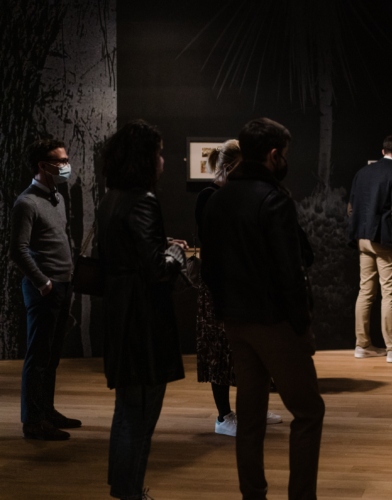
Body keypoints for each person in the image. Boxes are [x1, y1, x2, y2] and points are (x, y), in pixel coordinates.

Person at [201, 117, 325, 500]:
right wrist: (302, 326)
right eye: (284, 154)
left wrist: (224, 311)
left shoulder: (218, 198)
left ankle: (252, 494)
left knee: (250, 416)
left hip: (235, 322)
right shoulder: (273, 199)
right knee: (308, 412)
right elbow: (291, 271)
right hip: (274, 322)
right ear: (273, 155)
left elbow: (210, 267)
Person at [97, 120, 187, 500]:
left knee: (126, 410)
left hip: (120, 314)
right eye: (159, 153)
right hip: (143, 322)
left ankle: (123, 487)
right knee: (141, 414)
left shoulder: (111, 198)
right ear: (144, 158)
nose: (163, 160)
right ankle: (131, 491)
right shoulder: (144, 200)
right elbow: (156, 269)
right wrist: (176, 253)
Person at [194, 139, 282, 437]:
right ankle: (224, 416)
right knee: (219, 350)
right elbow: (215, 241)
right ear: (232, 166)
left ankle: (251, 407)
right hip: (219, 285)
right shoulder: (209, 197)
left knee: (248, 349)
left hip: (242, 283)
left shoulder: (236, 194)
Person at [10, 138, 79, 441]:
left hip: (63, 285)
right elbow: (18, 250)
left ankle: (46, 411)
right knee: (38, 357)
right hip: (45, 290)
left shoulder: (57, 198)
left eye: (66, 160)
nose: (66, 166)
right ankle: (33, 421)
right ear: (42, 165)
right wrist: (43, 282)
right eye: (60, 161)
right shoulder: (26, 203)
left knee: (51, 357)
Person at [347, 134, 392, 363]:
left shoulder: (362, 173)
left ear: (383, 151)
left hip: (363, 238)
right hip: (386, 241)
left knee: (365, 291)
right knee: (390, 294)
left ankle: (362, 345)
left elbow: (351, 208)